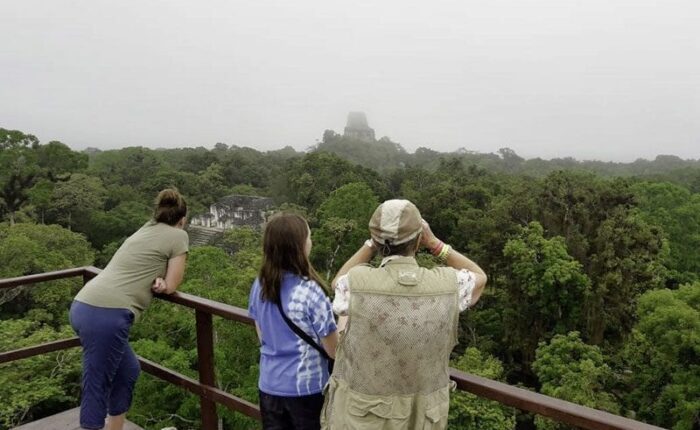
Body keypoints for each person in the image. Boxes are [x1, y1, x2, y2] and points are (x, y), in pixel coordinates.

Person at [321, 199, 488, 430]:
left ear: (377, 241)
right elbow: (480, 277)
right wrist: (435, 244)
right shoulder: (447, 284)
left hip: (363, 416)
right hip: (423, 417)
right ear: (419, 240)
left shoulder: (356, 284)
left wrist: (371, 244)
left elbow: (337, 282)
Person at [69, 189, 189, 430]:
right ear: (182, 219)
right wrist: (164, 284)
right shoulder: (179, 236)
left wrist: (160, 281)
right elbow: (173, 284)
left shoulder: (145, 229)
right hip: (108, 314)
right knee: (97, 383)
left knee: (128, 371)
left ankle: (115, 427)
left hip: (84, 305)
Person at [248, 213, 339, 430]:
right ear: (298, 246)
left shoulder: (259, 285)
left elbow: (262, 336)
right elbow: (334, 350)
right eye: (308, 237)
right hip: (306, 390)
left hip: (270, 386)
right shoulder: (311, 292)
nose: (311, 241)